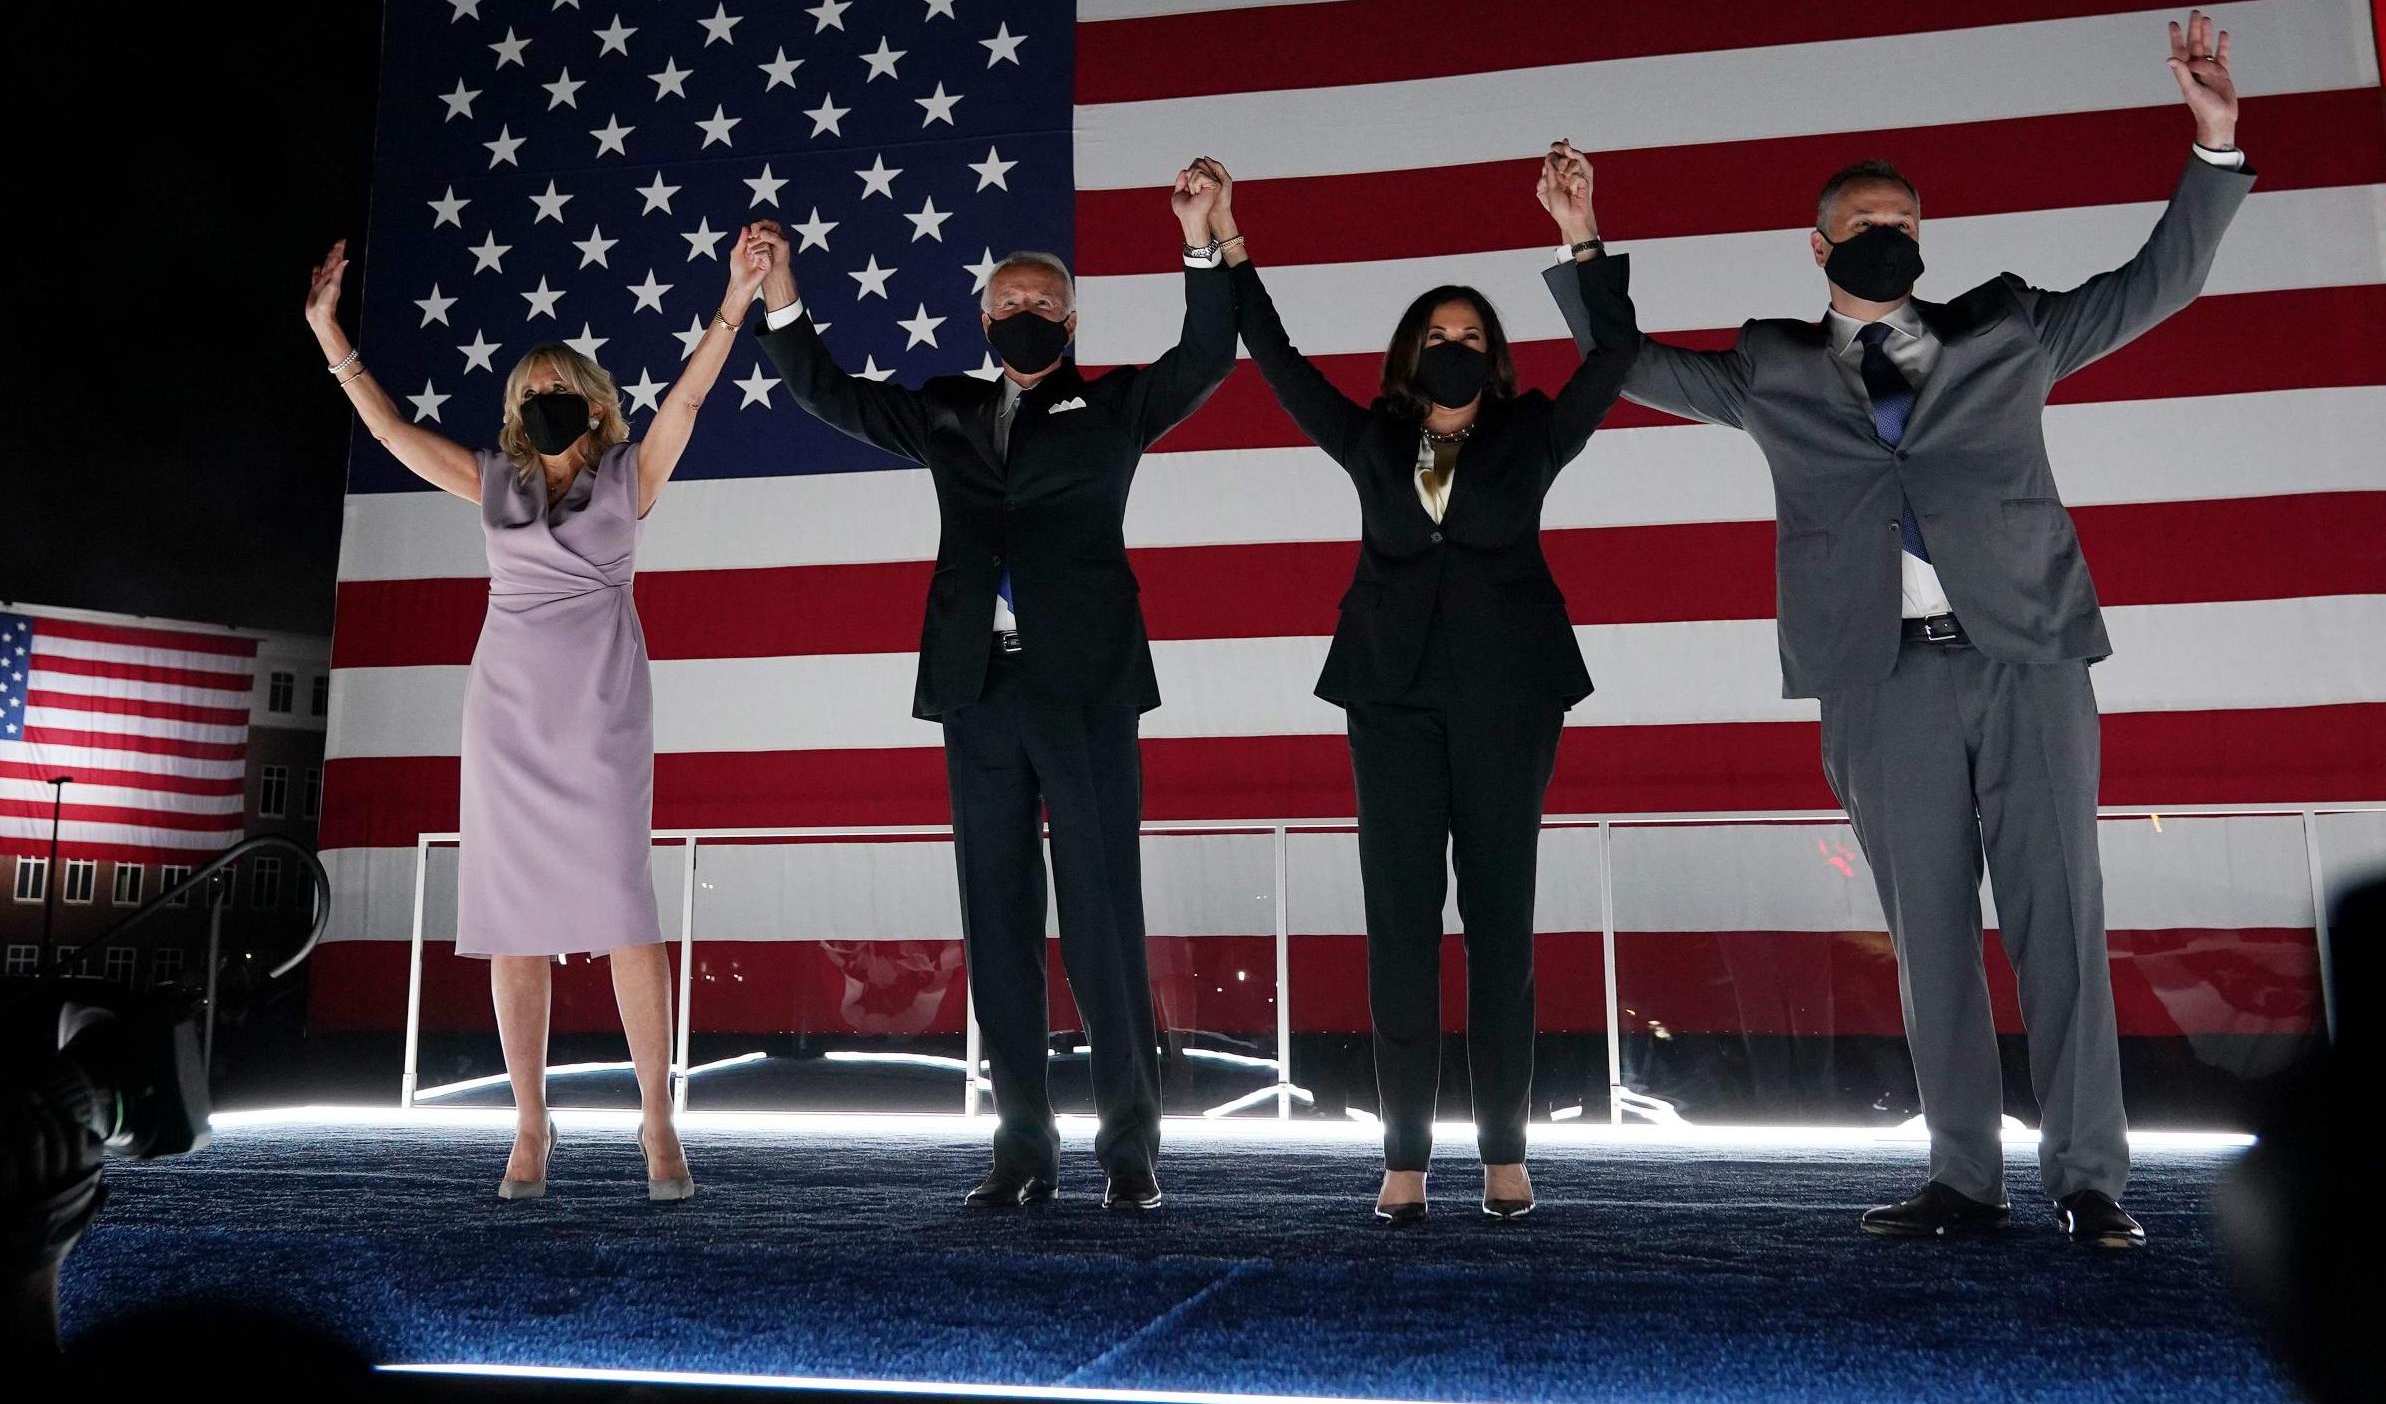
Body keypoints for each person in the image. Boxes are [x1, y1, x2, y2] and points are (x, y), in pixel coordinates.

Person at [1540, 12, 2255, 1248]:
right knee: (1925, 938)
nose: (1888, 241)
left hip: (2024, 655)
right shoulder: (1769, 368)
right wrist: (1583, 242)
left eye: (1905, 228)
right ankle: (1963, 1181)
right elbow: (1626, 363)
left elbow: (2160, 284)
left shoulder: (2007, 330)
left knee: (2059, 922)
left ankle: (2089, 1181)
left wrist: (2210, 139)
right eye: (1866, 227)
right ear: (1816, 245)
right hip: (1879, 681)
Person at [744, 163, 1237, 1211]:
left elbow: (1204, 357)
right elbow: (828, 392)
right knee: (997, 923)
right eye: (1007, 302)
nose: (1023, 313)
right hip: (977, 692)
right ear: (981, 316)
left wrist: (1201, 240)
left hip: (1087, 691)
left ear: (1069, 319)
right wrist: (780, 295)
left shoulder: (1110, 408)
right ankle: (1021, 1147)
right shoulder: (948, 411)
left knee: (1103, 918)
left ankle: (1129, 1150)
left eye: (1041, 303)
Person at [1195, 157, 1638, 1224]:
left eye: (1471, 339)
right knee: (1399, 924)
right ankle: (1401, 1156)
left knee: (1499, 924)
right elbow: (1277, 356)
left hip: (1508, 698)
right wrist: (1227, 238)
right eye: (1436, 338)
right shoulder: (1369, 437)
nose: (1453, 350)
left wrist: (1581, 230)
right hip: (1387, 700)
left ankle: (1501, 1153)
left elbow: (1615, 352)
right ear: (1408, 357)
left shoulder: (1533, 432)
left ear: (1493, 362)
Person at [301, 227, 768, 1202]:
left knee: (624, 914)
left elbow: (686, 396)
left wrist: (734, 301)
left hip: (599, 714)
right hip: (507, 718)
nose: (543, 402)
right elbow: (389, 435)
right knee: (515, 923)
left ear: (594, 404)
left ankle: (656, 1119)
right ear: (515, 413)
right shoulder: (493, 484)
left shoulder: (625, 477)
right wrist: (328, 334)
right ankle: (528, 1124)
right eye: (527, 393)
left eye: (560, 389)